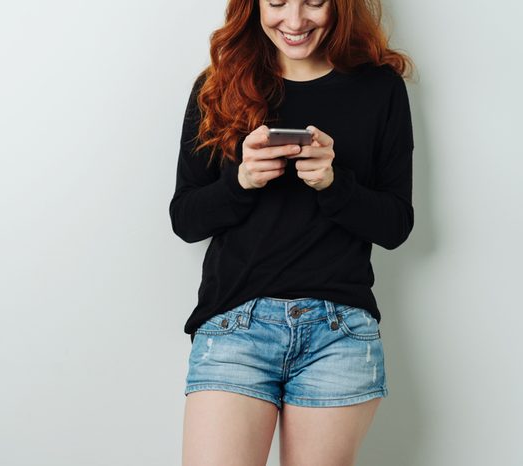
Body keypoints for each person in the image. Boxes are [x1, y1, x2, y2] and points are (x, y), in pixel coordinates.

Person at [168, 0, 415, 465]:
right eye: (277, 2)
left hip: (338, 334)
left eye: (314, 2)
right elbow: (185, 219)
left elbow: (396, 225)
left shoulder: (380, 89)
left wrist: (333, 183)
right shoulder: (218, 85)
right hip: (234, 326)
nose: (295, 21)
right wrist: (240, 181)